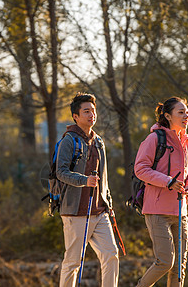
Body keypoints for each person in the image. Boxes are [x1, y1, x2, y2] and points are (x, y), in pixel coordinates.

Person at [135, 97, 188, 287]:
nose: (186, 115)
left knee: (179, 266)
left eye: (187, 112)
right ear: (167, 115)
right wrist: (168, 182)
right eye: (181, 112)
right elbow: (140, 169)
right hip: (157, 211)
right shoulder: (155, 138)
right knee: (165, 261)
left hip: (181, 211)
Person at [57, 92, 119, 287]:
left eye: (93, 110)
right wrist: (84, 180)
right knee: (73, 262)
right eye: (86, 111)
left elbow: (104, 177)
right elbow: (61, 172)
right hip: (75, 213)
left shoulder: (99, 141)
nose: (91, 114)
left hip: (100, 212)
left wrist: (108, 203)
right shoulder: (69, 140)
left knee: (111, 255)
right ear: (76, 116)